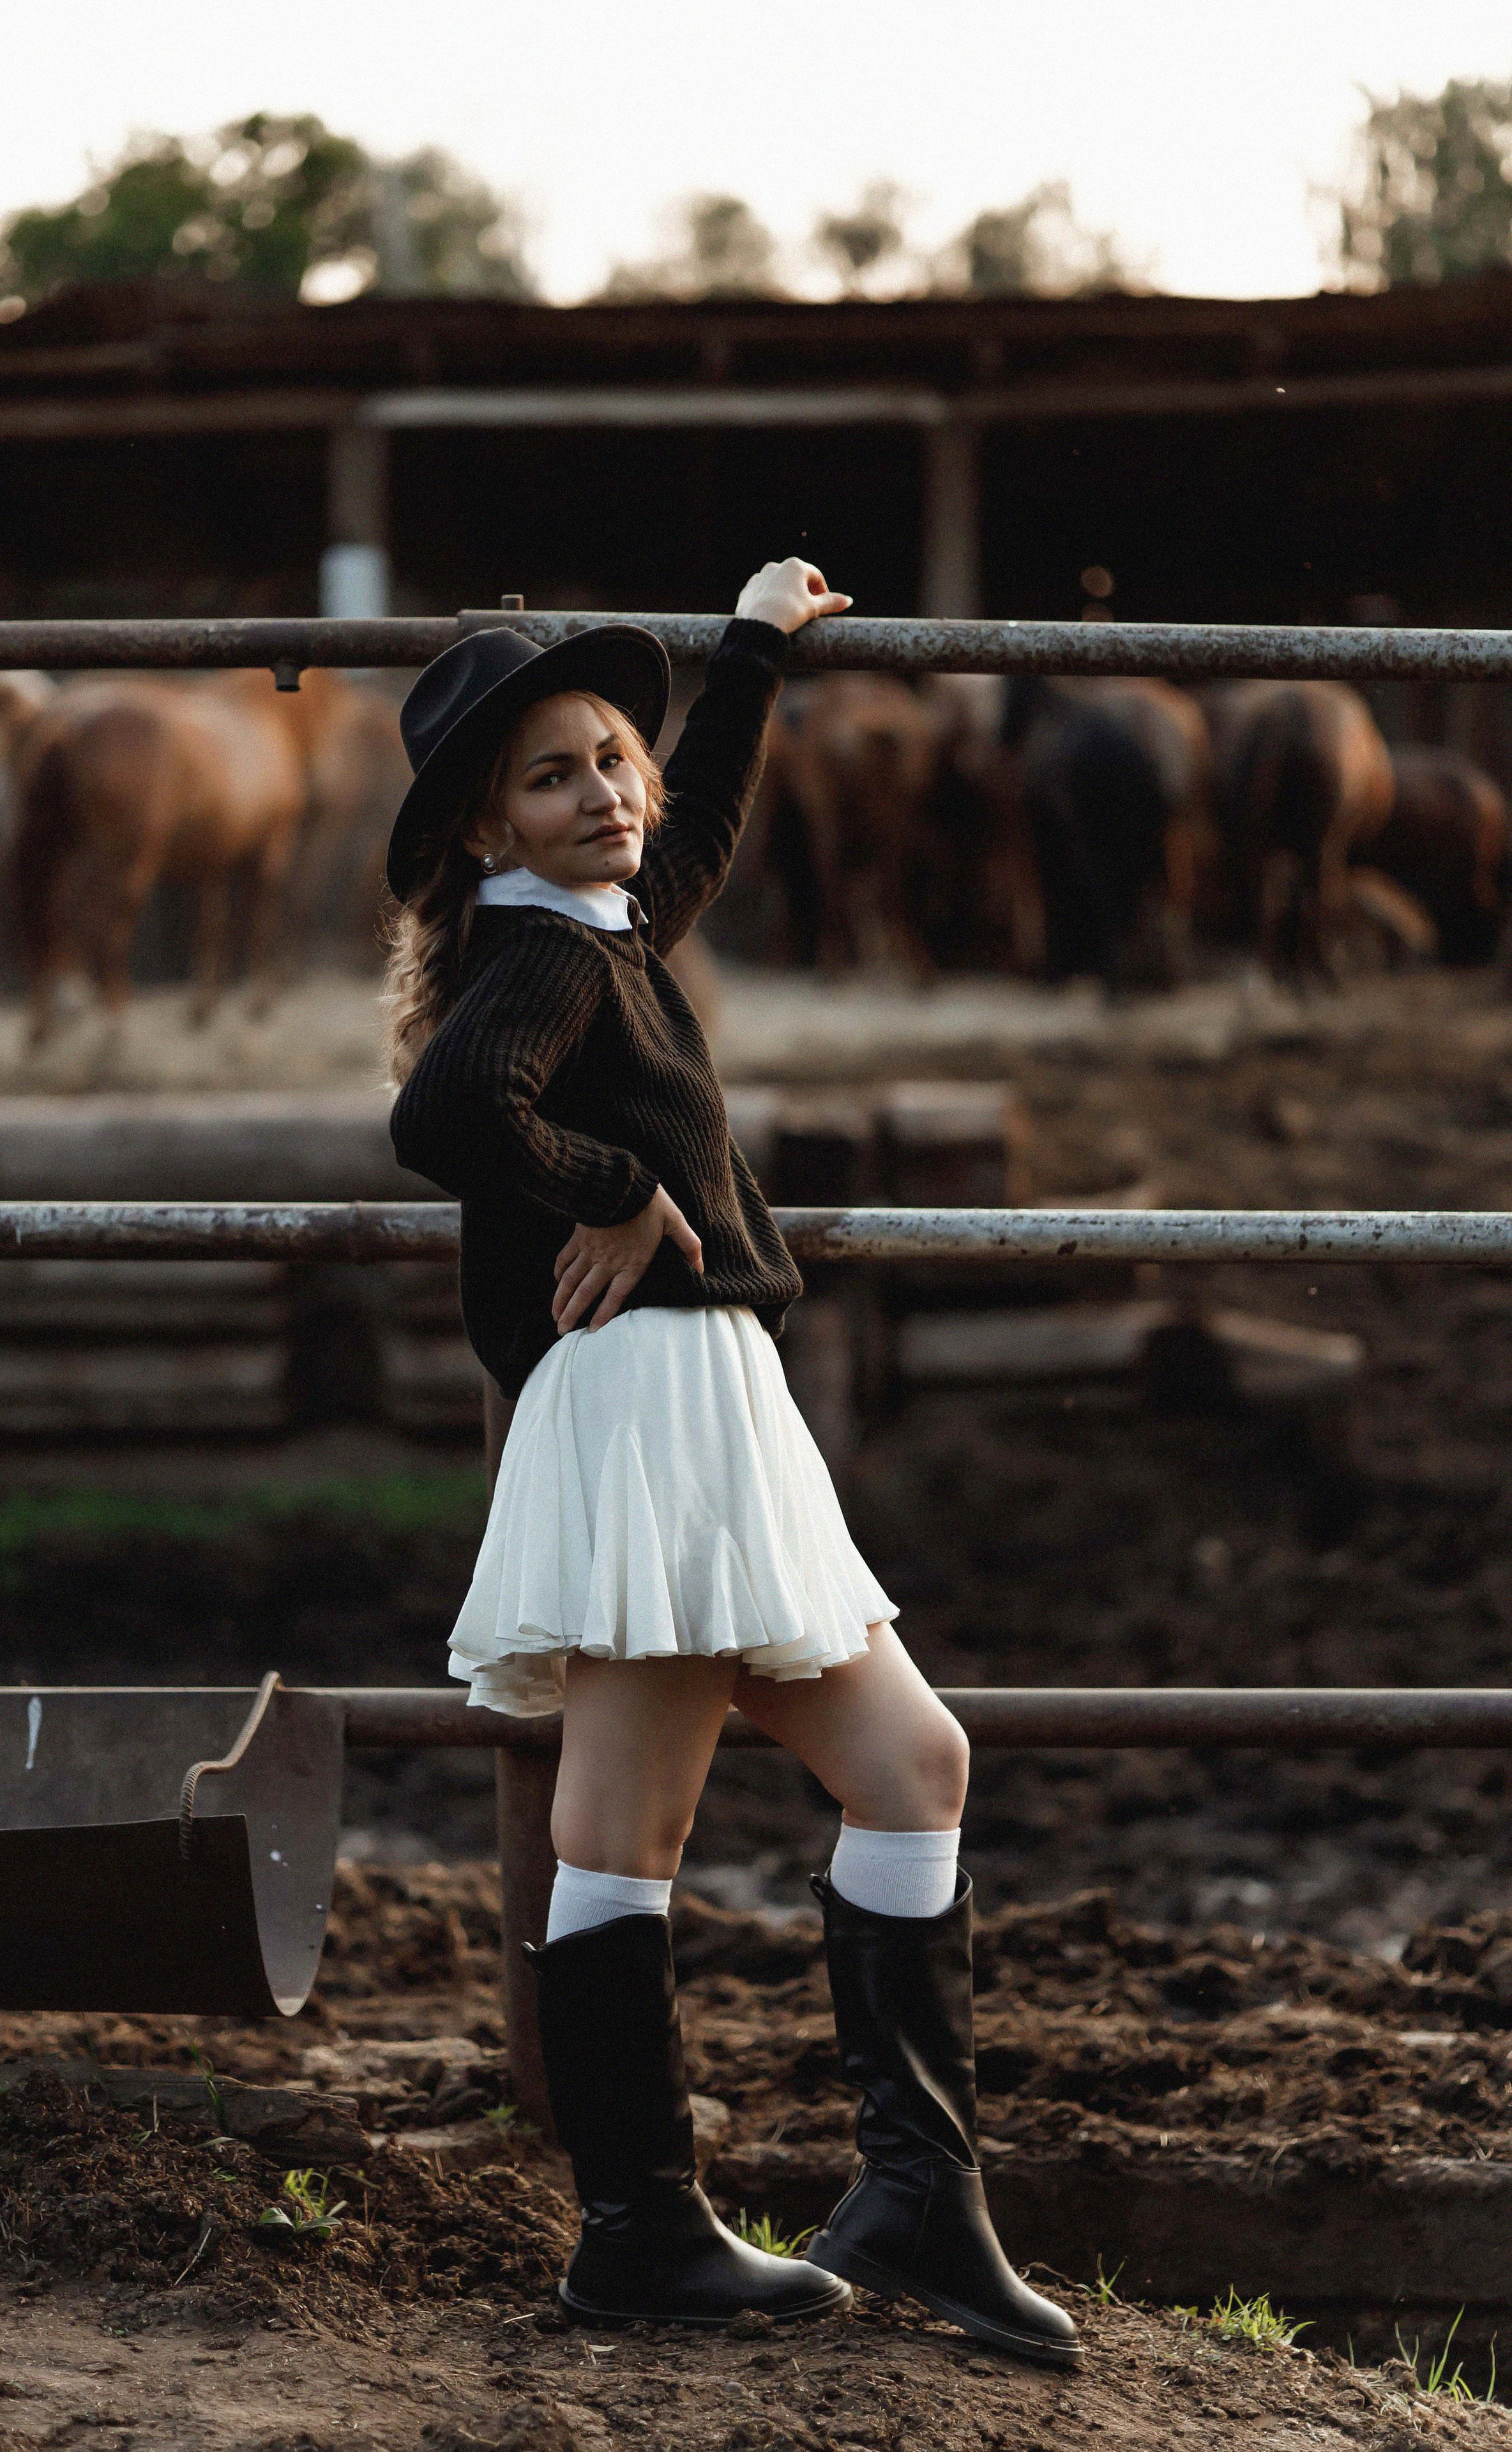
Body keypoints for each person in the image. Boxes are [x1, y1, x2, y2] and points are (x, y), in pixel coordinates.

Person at [384, 561, 1078, 2362]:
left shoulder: (608, 925)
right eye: (555, 775)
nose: (608, 791)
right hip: (642, 1410)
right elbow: (449, 1112)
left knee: (911, 1761)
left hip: (705, 1403)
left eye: (616, 755)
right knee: (634, 1824)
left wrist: (755, 644)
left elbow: (692, 836)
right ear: (482, 828)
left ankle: (913, 2201)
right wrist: (627, 1191)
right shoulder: (536, 957)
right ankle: (641, 2231)